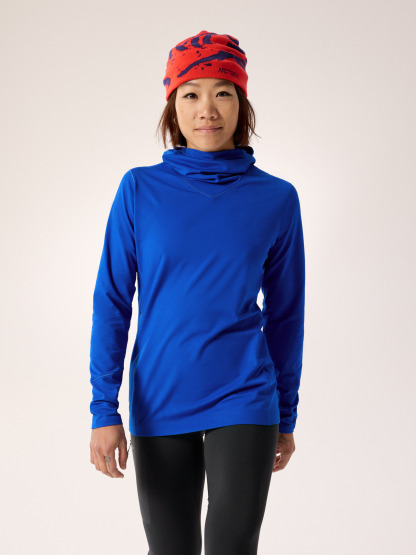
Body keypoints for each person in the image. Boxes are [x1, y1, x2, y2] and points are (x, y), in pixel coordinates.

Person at [89, 29, 305, 555]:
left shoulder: (277, 198)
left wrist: (286, 411)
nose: (207, 109)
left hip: (245, 395)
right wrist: (103, 409)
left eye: (223, 92)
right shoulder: (139, 189)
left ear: (241, 104)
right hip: (160, 392)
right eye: (191, 94)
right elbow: (112, 302)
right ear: (173, 107)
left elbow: (286, 313)